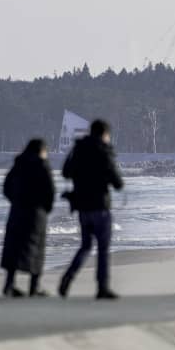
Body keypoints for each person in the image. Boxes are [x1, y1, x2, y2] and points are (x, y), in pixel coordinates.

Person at [59, 119, 124, 299]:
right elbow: (117, 183)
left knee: (85, 246)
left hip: (82, 208)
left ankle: (68, 277)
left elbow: (65, 172)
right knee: (103, 249)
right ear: (105, 134)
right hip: (100, 207)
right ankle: (102, 287)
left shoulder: (78, 149)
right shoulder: (104, 151)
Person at [0, 138, 55, 297]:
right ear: (41, 151)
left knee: (14, 249)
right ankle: (34, 286)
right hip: (36, 214)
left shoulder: (18, 165)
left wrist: (15, 201)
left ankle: (9, 285)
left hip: (17, 212)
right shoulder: (42, 166)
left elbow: (6, 187)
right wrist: (46, 209)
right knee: (36, 248)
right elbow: (50, 191)